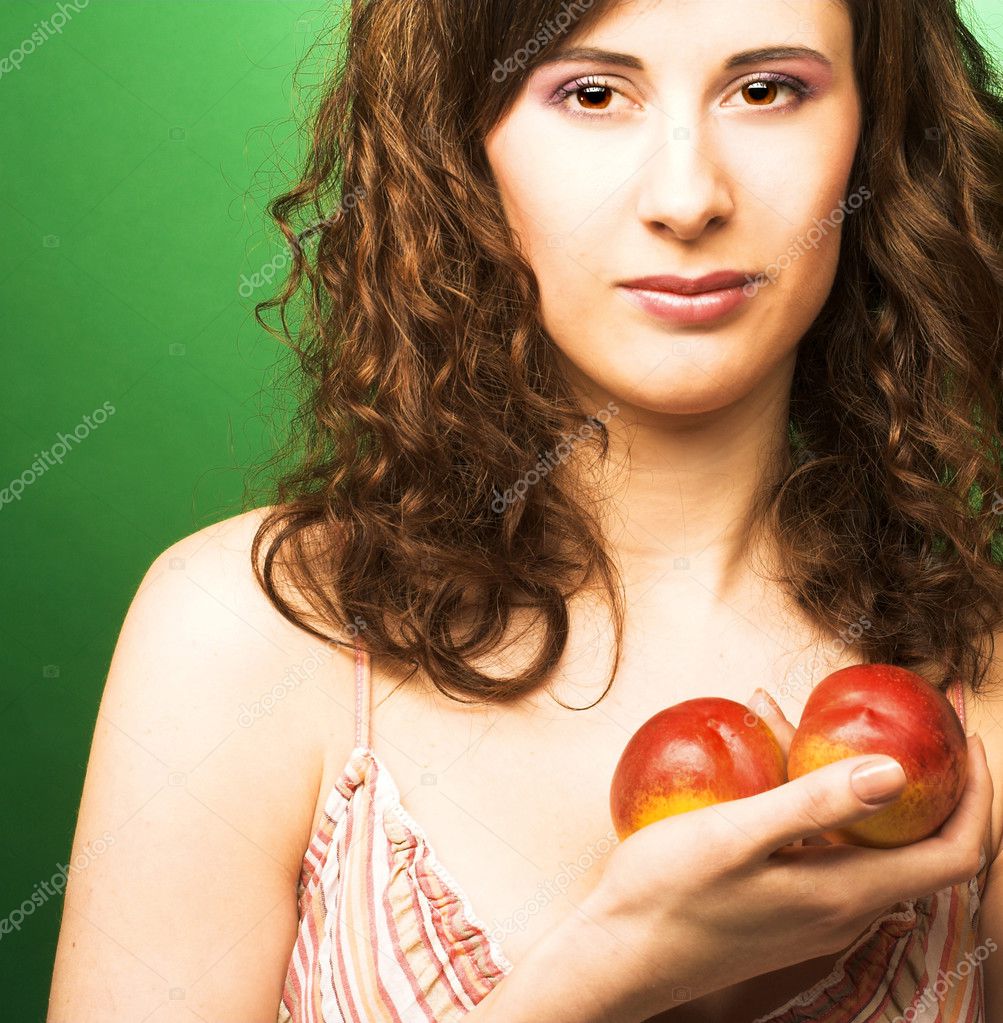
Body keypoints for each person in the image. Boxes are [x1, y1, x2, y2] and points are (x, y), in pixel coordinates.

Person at [48, 0, 1003, 1020]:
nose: (686, 196)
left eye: (765, 90)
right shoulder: (245, 637)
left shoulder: (980, 679)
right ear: (458, 150)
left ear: (874, 139)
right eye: (591, 94)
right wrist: (607, 976)